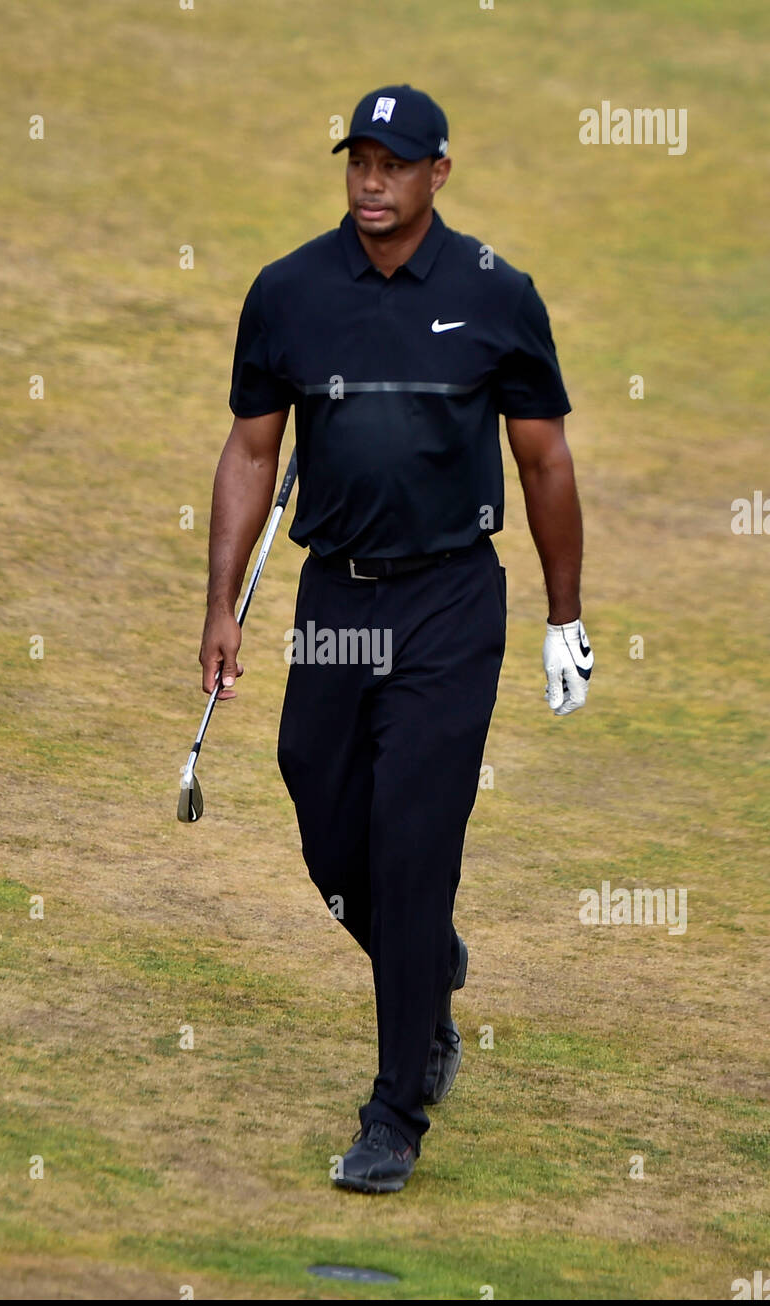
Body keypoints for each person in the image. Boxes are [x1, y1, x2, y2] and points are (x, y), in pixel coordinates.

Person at [198, 84, 594, 1194]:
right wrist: (220, 603)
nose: (371, 183)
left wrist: (565, 618)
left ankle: (393, 1112)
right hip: (336, 598)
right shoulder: (288, 291)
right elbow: (249, 452)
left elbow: (544, 463)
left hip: (448, 604)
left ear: (437, 174)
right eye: (356, 162)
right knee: (325, 817)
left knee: (413, 839)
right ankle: (427, 968)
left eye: (393, 164)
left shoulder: (493, 296)